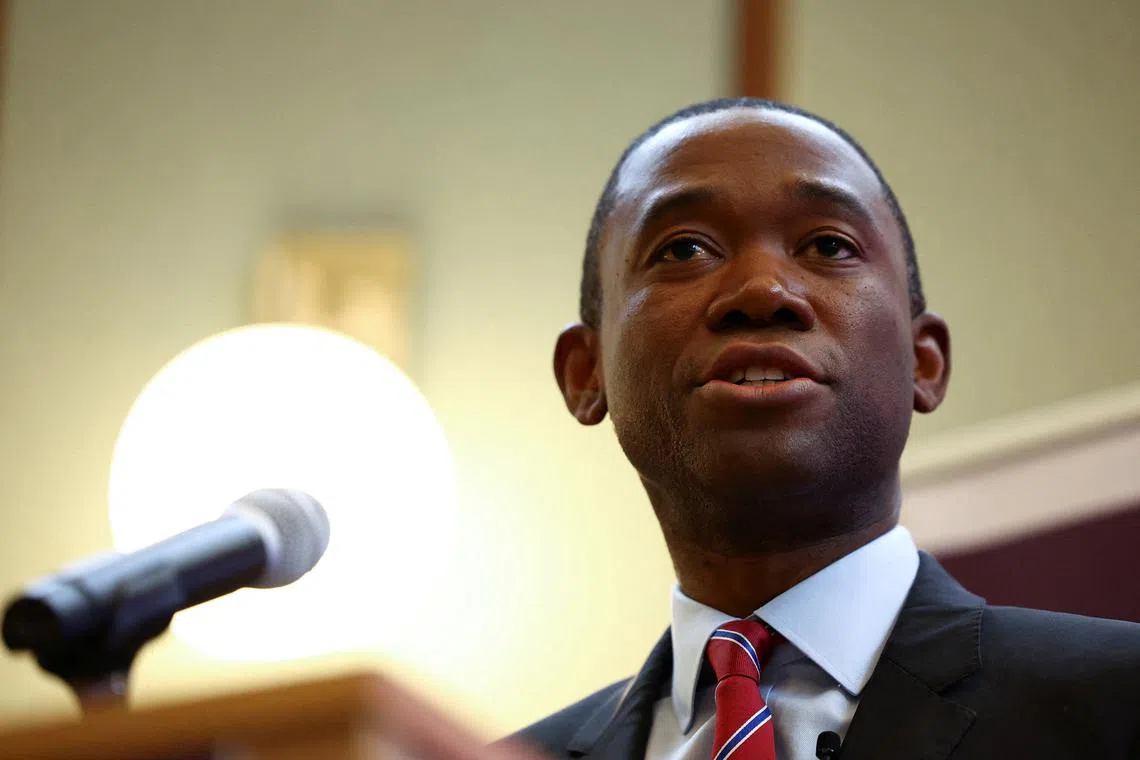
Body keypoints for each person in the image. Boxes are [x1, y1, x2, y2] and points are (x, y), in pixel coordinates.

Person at [514, 98, 1140, 759]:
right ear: (586, 374)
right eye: (686, 248)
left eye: (828, 245)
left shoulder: (1119, 706)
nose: (762, 291)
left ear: (925, 361)